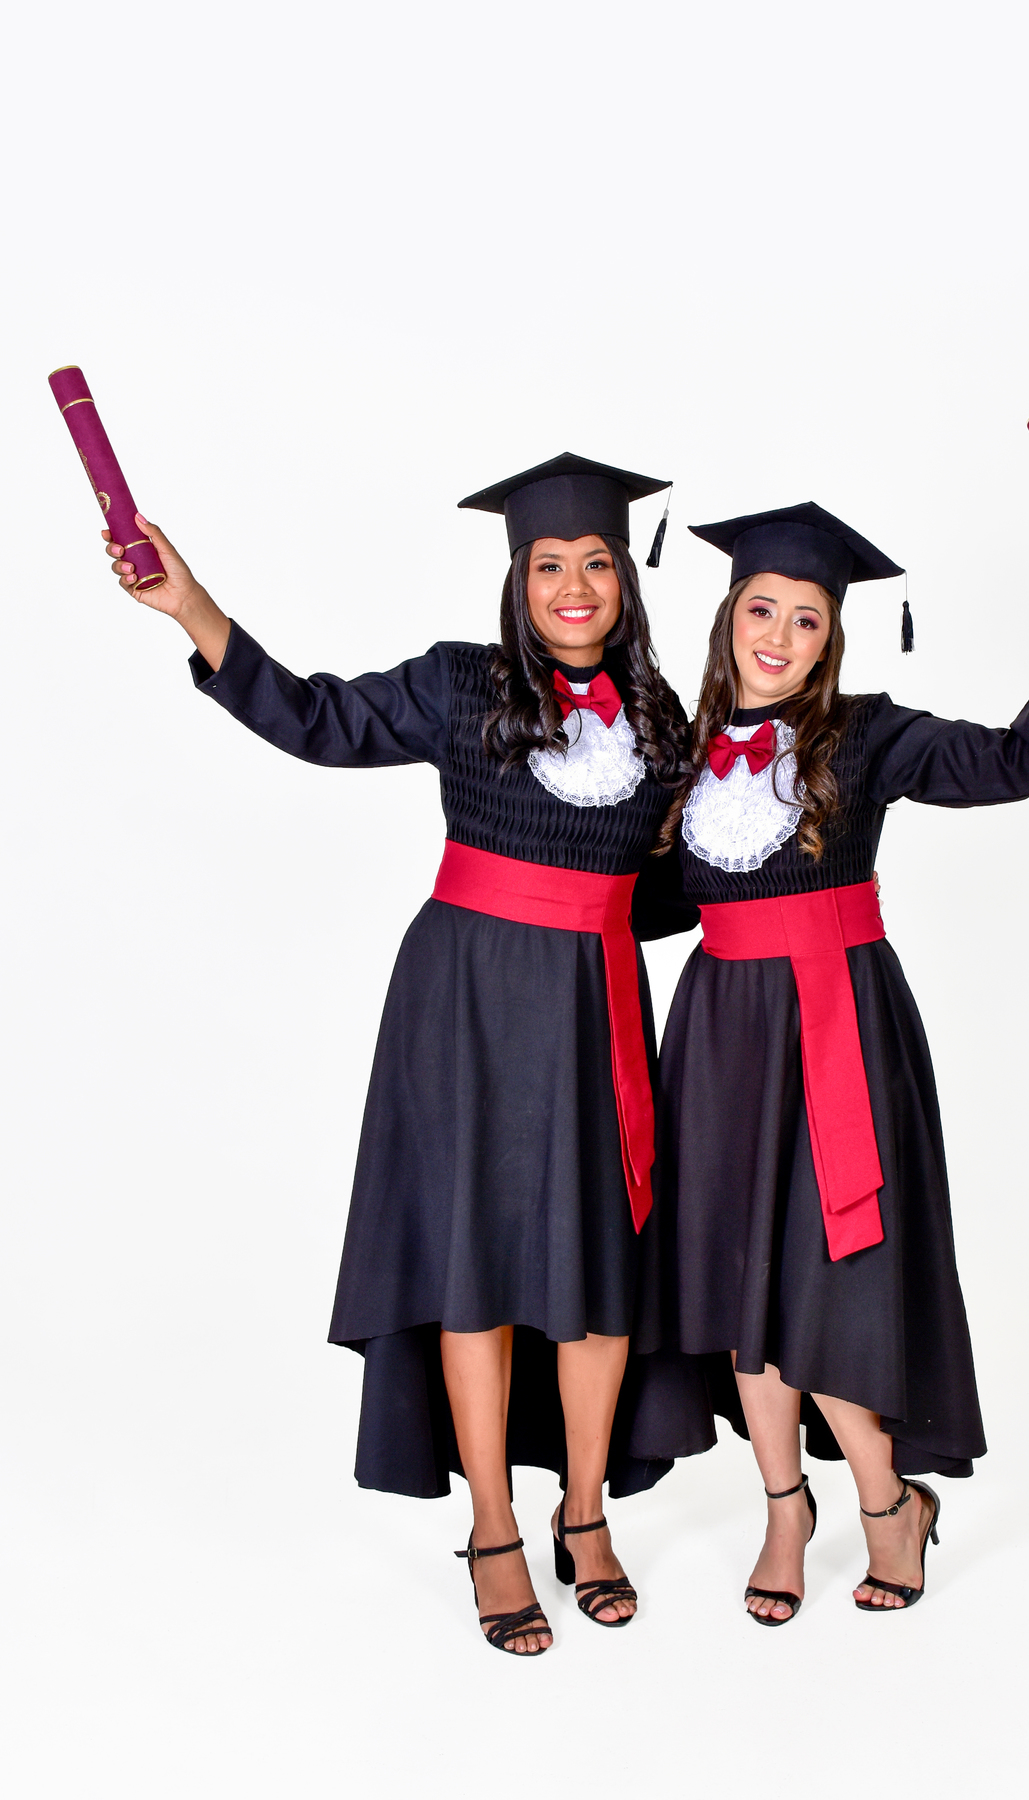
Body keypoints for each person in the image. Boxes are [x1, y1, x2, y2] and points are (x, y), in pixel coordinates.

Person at [103, 453, 698, 1655]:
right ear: (516, 578)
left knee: (598, 1272)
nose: (574, 586)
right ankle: (493, 1526)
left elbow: (667, 891)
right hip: (462, 1007)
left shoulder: (661, 721)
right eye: (548, 565)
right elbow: (317, 720)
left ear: (626, 581)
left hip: (592, 1012)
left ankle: (584, 1512)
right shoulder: (456, 682)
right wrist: (192, 606)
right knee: (474, 1264)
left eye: (596, 563)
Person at [643, 501, 1029, 1621]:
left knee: (824, 1284)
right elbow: (643, 905)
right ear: (729, 616)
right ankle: (786, 1510)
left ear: (833, 637)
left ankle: (889, 1504)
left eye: (807, 619)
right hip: (721, 1042)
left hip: (839, 1030)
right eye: (762, 610)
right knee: (740, 1286)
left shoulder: (867, 736)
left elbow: (1016, 762)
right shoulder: (683, 756)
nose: (778, 636)